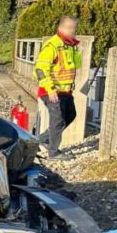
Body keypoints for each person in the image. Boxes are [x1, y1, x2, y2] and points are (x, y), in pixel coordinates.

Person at [34, 15, 82, 160]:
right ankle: (53, 153)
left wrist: (75, 50)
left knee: (70, 116)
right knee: (58, 120)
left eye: (73, 28)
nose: (71, 31)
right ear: (60, 28)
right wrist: (50, 89)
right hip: (52, 91)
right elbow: (40, 69)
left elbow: (75, 65)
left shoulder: (70, 46)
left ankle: (39, 140)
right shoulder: (53, 45)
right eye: (68, 28)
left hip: (66, 91)